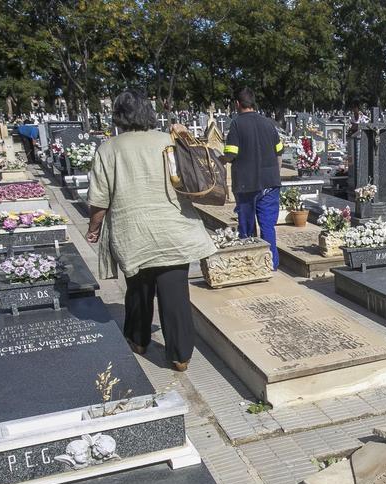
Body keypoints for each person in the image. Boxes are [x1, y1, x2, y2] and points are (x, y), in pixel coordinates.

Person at [86, 90, 216, 372]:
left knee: (137, 289)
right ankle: (180, 356)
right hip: (173, 228)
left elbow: (99, 200)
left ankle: (138, 339)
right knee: (175, 293)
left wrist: (93, 229)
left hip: (132, 231)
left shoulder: (109, 149)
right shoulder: (167, 141)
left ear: (118, 116)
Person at [222, 88, 283, 269]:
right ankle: (271, 263)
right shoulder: (268, 123)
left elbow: (232, 153)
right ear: (253, 103)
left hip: (246, 184)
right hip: (270, 183)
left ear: (237, 104)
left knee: (247, 228)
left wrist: (220, 158)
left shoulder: (237, 124)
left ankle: (251, 265)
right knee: (268, 227)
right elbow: (279, 150)